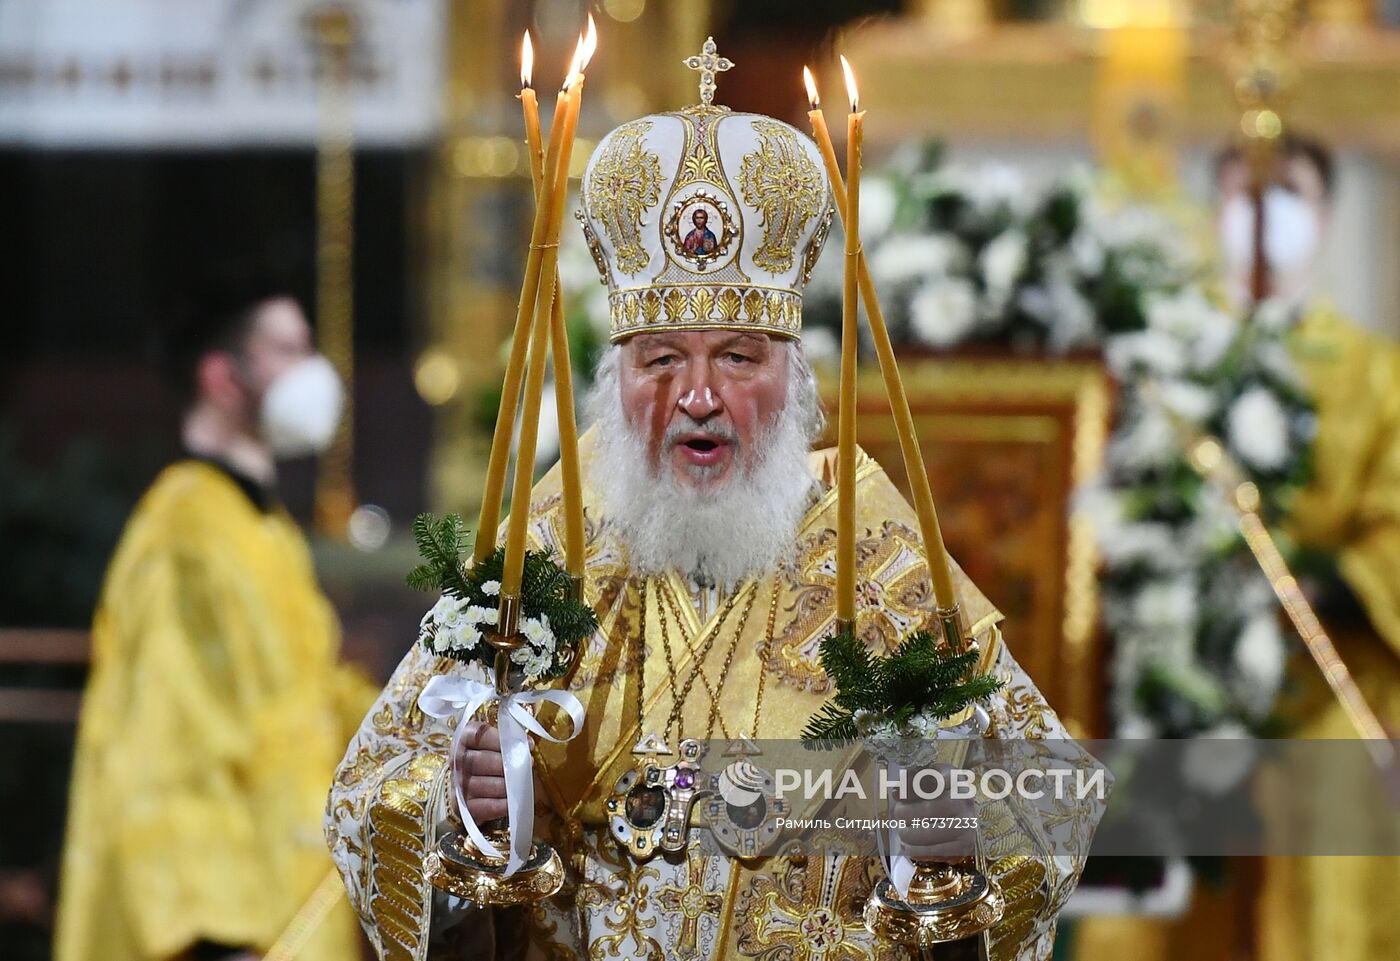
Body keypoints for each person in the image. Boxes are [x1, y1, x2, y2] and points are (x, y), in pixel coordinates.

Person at [327, 72, 1096, 961]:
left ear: (796, 381)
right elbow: (365, 794)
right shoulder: (546, 560)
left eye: (737, 356)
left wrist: (956, 838)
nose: (698, 395)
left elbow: (1053, 795)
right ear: (614, 385)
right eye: (660, 359)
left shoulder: (881, 559)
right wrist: (459, 805)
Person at [55, 264, 376, 961]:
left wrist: (429, 722)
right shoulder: (184, 536)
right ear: (222, 377)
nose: (312, 371)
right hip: (238, 927)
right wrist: (214, 936)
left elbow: (307, 694)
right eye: (287, 350)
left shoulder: (259, 527)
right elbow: (166, 748)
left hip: (292, 899)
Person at [1215, 135, 1400, 961]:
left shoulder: (1374, 372)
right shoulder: (1174, 358)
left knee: (1337, 824)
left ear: (1324, 215)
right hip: (1192, 676)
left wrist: (1327, 584)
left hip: (1333, 673)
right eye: (1244, 191)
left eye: (1287, 191)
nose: (1265, 214)